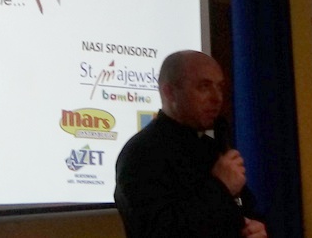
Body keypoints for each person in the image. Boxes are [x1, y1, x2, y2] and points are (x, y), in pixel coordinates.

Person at [114, 50, 267, 238]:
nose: (217, 98)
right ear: (169, 92)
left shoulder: (211, 148)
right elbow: (155, 230)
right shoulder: (141, 153)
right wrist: (220, 187)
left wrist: (257, 227)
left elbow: (246, 210)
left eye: (219, 87)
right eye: (204, 87)